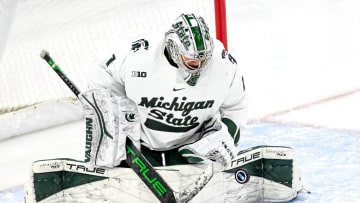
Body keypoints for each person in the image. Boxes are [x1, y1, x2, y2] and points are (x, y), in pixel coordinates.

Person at [79, 13, 248, 168]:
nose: (199, 66)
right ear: (173, 48)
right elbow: (101, 76)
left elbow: (237, 106)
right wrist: (109, 118)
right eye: (191, 60)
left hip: (194, 149)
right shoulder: (137, 57)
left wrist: (226, 137)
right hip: (140, 145)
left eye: (204, 58)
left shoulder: (223, 64)